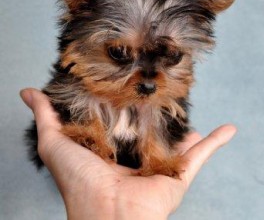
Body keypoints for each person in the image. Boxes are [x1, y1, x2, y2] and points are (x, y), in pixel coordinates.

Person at [20, 88, 237, 220]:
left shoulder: (164, 104)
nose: (149, 80)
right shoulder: (76, 95)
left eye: (172, 57)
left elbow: (170, 131)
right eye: (119, 52)